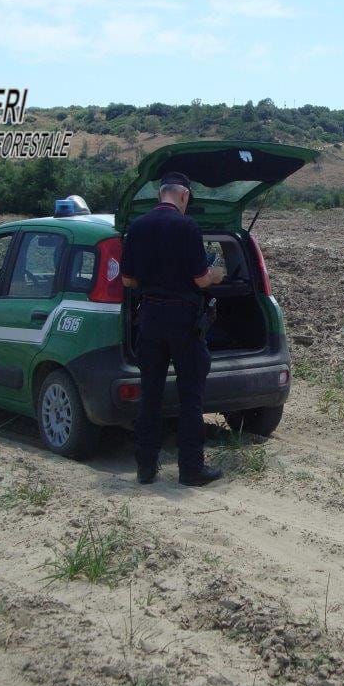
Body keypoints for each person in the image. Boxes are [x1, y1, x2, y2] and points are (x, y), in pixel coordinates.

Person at [121, 171, 226, 486]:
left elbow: (127, 280)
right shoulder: (187, 226)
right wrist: (217, 274)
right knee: (190, 396)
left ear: (160, 194)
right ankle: (191, 470)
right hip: (183, 321)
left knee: (150, 395)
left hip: (150, 318)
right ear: (184, 196)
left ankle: (145, 468)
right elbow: (201, 280)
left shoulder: (137, 227)